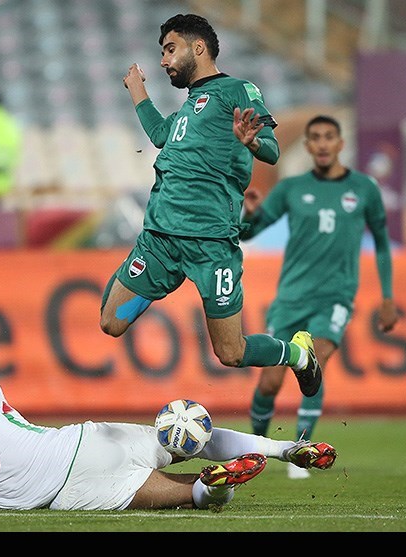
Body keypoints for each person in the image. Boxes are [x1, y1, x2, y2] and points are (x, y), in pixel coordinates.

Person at [99, 13, 322, 397]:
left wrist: (252, 142)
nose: (164, 60)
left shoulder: (238, 90)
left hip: (211, 244)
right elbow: (159, 134)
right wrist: (137, 89)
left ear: (198, 47)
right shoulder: (189, 108)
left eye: (170, 49)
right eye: (162, 52)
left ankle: (299, 354)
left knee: (231, 353)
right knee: (111, 323)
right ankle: (151, 279)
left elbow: (271, 150)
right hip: (160, 240)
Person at [0, 347, 338, 512]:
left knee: (185, 496)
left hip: (62, 495)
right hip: (81, 442)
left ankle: (212, 488)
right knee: (181, 433)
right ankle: (282, 447)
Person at [240, 114, 398, 479]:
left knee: (316, 361)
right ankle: (257, 447)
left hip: (335, 297)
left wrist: (388, 298)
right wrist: (248, 214)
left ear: (340, 144)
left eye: (329, 137)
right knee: (270, 382)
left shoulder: (364, 189)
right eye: (316, 138)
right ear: (308, 146)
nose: (323, 143)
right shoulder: (291, 189)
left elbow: (382, 243)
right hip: (291, 298)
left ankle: (301, 448)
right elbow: (249, 232)